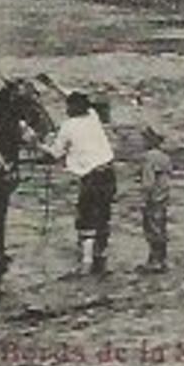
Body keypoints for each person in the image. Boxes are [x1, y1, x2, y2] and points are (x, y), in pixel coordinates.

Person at [44, 91, 118, 277]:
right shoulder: (93, 116)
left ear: (74, 108)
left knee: (86, 218)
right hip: (109, 172)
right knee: (103, 215)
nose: (66, 109)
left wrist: (35, 143)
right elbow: (78, 99)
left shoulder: (68, 126)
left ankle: (86, 263)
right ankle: (101, 257)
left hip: (91, 176)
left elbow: (55, 153)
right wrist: (53, 86)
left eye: (68, 106)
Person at [137, 127, 172, 273]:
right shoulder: (165, 157)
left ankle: (155, 261)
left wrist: (144, 198)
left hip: (153, 198)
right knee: (161, 228)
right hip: (163, 196)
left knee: (151, 229)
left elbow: (148, 181)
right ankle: (160, 259)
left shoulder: (149, 157)